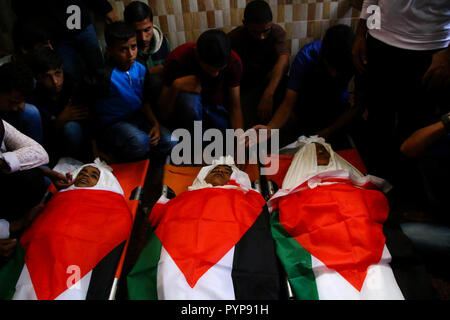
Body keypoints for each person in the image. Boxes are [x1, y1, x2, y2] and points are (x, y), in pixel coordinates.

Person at [268, 136, 435, 300]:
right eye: (317, 151)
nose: (322, 153)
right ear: (302, 159)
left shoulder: (360, 186)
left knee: (381, 282)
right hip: (323, 242)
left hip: (364, 238)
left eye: (325, 149)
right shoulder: (292, 196)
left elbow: (375, 208)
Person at [127, 156, 284, 300]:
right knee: (169, 274)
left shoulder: (247, 199)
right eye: (215, 169)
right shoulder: (181, 199)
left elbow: (258, 231)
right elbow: (165, 221)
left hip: (228, 250)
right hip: (181, 248)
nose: (220, 171)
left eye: (226, 171)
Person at [1, 158, 133, 300]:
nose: (85, 176)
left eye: (93, 175)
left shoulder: (114, 207)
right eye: (82, 172)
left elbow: (117, 226)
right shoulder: (59, 199)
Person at [352, 0, 450, 186]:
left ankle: (407, 190)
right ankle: (375, 184)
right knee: (378, 118)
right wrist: (360, 32)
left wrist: (448, 55)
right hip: (379, 41)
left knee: (415, 125)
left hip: (429, 49)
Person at [252, 25, 363, 149]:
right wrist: (270, 128)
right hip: (306, 107)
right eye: (330, 67)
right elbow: (288, 104)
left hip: (337, 109)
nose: (334, 74)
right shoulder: (307, 55)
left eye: (339, 69)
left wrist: (329, 130)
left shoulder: (359, 59)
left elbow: (358, 106)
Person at [93, 22, 176, 163]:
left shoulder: (141, 66)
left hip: (138, 119)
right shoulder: (103, 76)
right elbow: (91, 113)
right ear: (110, 50)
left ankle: (143, 155)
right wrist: (95, 149)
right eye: (123, 50)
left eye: (133, 47)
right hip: (114, 124)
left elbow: (145, 101)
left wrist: (155, 124)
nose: (130, 54)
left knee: (171, 141)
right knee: (140, 141)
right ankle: (118, 157)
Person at [158, 29, 244, 136]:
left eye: (220, 69)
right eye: (210, 69)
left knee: (224, 136)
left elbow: (235, 106)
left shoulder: (233, 61)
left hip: (216, 108)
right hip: (187, 117)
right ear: (196, 54)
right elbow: (163, 115)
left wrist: (240, 143)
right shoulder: (178, 59)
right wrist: (176, 86)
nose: (215, 74)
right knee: (190, 103)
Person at [12, 0, 118, 82]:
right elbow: (20, 9)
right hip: (57, 36)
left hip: (81, 24)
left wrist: (106, 8)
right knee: (70, 76)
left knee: (99, 68)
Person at [228, 0, 289, 127]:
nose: (261, 36)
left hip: (270, 84)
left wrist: (269, 93)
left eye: (265, 31)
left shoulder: (277, 32)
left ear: (271, 23)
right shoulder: (234, 38)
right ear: (245, 24)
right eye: (255, 32)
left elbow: (283, 59)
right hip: (245, 88)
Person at [28, 46, 91, 164]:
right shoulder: (34, 98)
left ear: (62, 70)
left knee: (72, 129)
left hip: (80, 143)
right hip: (51, 149)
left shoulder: (72, 86)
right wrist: (60, 120)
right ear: (39, 78)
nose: (55, 81)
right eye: (48, 77)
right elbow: (39, 137)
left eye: (57, 73)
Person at [124, 1, 171, 106]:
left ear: (152, 24)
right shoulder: (120, 49)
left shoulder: (162, 42)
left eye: (147, 29)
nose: (143, 38)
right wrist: (151, 71)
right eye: (137, 32)